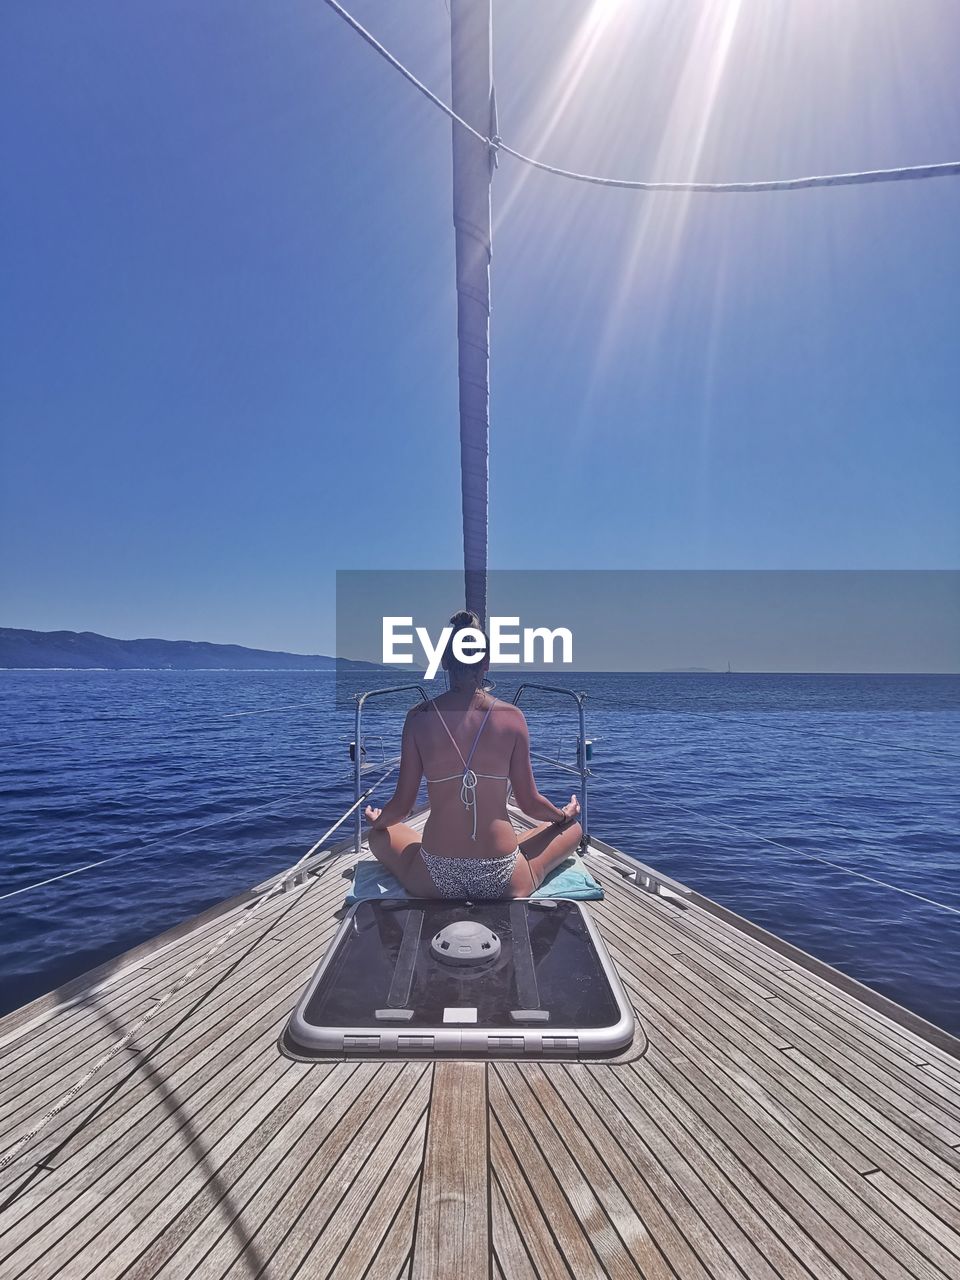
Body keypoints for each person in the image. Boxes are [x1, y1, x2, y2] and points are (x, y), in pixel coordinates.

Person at [365, 609, 582, 898]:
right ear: (487, 663)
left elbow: (403, 807)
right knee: (571, 830)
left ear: (443, 661)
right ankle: (547, 839)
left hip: (434, 875)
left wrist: (378, 820)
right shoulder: (512, 717)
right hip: (504, 876)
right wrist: (562, 816)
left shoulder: (418, 718)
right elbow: (530, 804)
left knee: (378, 835)